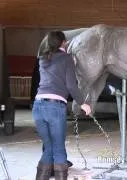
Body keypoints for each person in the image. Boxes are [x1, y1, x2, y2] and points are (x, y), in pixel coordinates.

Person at [32, 31, 91, 180]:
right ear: (63, 43)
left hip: (38, 106)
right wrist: (83, 103)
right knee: (58, 150)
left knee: (48, 149)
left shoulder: (42, 58)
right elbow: (71, 85)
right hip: (55, 107)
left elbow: (53, 72)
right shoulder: (66, 58)